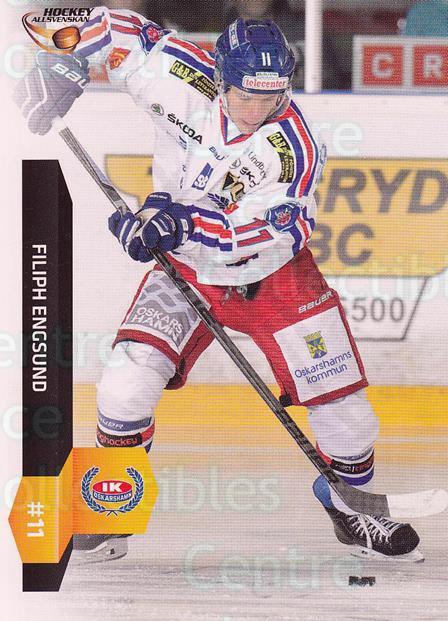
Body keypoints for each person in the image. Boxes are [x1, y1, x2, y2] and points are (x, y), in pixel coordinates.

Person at [15, 7, 422, 563]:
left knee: (350, 421)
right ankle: (110, 515)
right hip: (186, 269)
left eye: (271, 99)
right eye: (245, 97)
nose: (257, 112)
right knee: (123, 388)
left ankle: (354, 511)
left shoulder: (295, 148)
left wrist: (177, 225)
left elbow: (274, 233)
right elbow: (108, 26)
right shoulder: (179, 73)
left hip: (274, 276)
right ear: (220, 78)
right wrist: (60, 61)